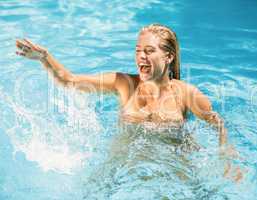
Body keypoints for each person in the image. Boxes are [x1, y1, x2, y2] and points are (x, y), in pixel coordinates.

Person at [16, 23, 242, 181]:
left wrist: (226, 152)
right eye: (138, 51)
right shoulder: (123, 84)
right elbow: (69, 80)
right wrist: (44, 58)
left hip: (173, 161)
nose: (141, 57)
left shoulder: (186, 94)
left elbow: (217, 122)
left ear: (168, 57)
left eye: (149, 51)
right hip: (124, 159)